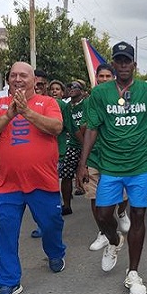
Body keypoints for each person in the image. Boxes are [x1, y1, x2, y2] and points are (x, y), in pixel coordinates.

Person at [76, 42, 147, 294]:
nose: (123, 65)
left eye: (127, 61)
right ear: (113, 64)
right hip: (110, 167)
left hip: (140, 168)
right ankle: (114, 241)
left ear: (135, 64)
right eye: (119, 60)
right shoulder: (101, 93)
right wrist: (83, 164)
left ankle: (133, 272)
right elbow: (92, 128)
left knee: (138, 217)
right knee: (103, 216)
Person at [0, 61, 66, 294]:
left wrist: (26, 112)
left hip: (42, 182)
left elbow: (56, 127)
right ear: (8, 79)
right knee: (5, 230)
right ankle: (8, 280)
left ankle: (55, 251)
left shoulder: (48, 102)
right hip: (7, 184)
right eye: (13, 75)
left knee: (51, 224)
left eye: (23, 75)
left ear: (33, 80)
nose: (17, 79)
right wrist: (8, 115)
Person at [80, 63, 130, 251]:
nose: (104, 80)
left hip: (116, 157)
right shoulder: (89, 101)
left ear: (114, 78)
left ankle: (123, 212)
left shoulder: (122, 99)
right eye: (101, 76)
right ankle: (104, 232)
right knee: (94, 197)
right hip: (94, 156)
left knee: (121, 196)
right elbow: (85, 129)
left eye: (108, 76)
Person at [59, 81, 86, 215]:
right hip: (71, 144)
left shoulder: (86, 104)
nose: (71, 89)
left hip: (88, 144)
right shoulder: (66, 106)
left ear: (82, 90)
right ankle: (67, 204)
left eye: (75, 87)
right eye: (69, 86)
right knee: (66, 174)